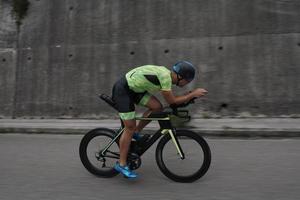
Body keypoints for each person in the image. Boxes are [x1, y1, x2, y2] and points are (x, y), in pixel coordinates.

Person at [112, 61, 208, 179]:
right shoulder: (165, 78)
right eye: (187, 81)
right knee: (129, 127)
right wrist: (192, 94)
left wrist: (189, 95)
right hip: (123, 90)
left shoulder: (167, 76)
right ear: (180, 77)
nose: (186, 84)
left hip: (135, 90)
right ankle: (121, 164)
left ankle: (137, 131)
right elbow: (172, 102)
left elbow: (174, 101)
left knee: (157, 108)